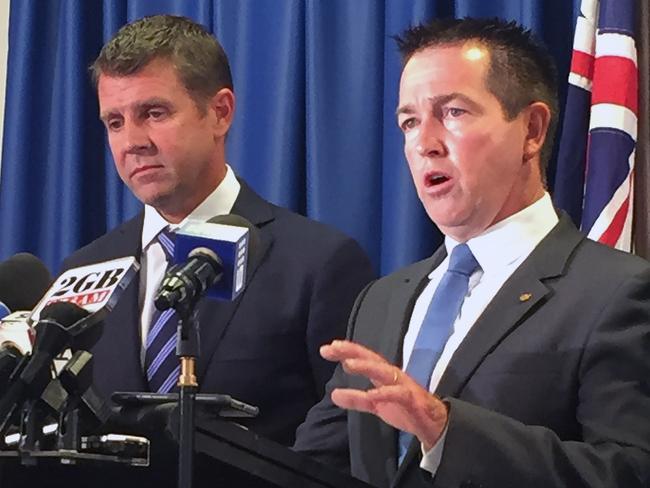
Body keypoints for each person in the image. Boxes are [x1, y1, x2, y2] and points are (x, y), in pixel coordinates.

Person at [1, 14, 374, 487]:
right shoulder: (86, 270)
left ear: (220, 112)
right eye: (114, 122)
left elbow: (344, 439)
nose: (133, 142)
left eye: (153, 113)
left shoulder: (319, 263)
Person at [294, 17, 650, 488]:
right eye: (409, 121)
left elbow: (629, 473)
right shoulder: (381, 300)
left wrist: (446, 431)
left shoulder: (616, 293)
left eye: (453, 112)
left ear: (532, 130)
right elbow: (308, 468)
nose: (425, 143)